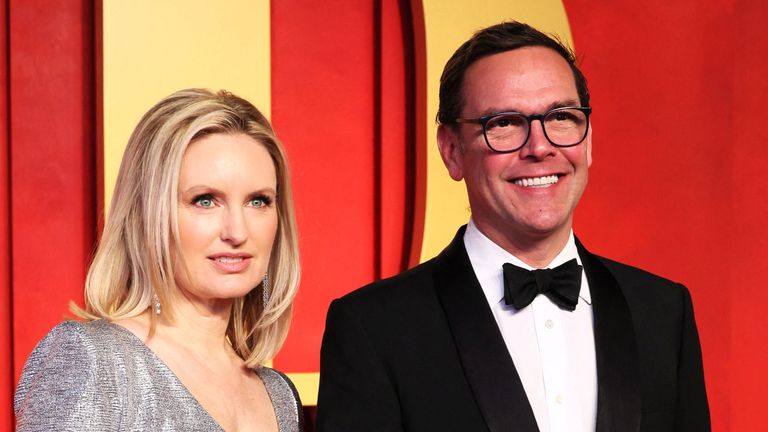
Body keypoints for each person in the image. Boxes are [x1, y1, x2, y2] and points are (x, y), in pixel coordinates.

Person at [317, 21, 709, 431]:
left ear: (588, 138)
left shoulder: (664, 312)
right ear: (452, 150)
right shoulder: (374, 329)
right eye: (504, 123)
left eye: (560, 117)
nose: (539, 147)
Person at [14, 89, 303, 431]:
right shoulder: (94, 360)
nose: (237, 232)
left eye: (258, 201)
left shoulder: (278, 395)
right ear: (148, 214)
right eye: (205, 200)